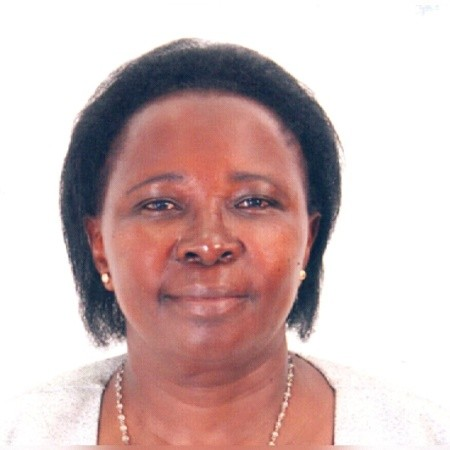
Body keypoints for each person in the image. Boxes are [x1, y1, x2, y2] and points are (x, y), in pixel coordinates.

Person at [1, 39, 449, 445]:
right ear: (98, 244)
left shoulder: (417, 435)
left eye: (254, 202)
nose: (209, 244)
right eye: (160, 204)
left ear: (309, 240)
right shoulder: (23, 433)